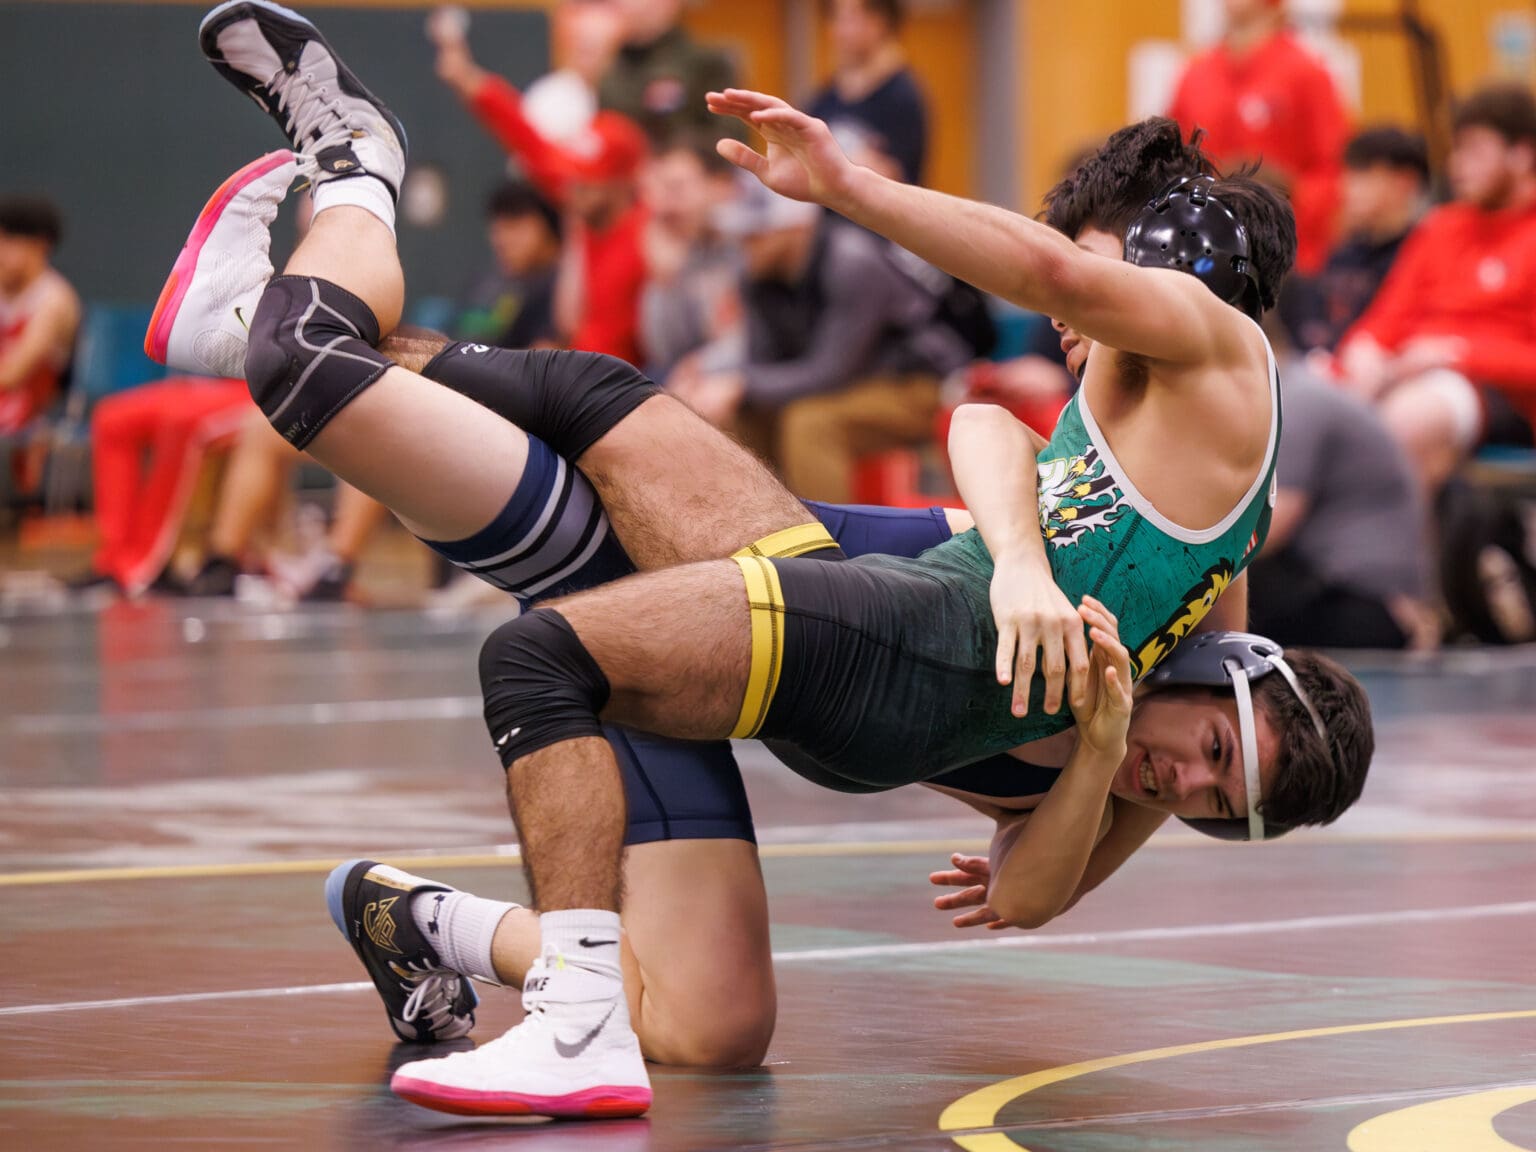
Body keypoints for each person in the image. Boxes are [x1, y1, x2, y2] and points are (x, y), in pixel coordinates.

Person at [182, 1, 1371, 1119]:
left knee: (711, 1027)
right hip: (790, 608)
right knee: (424, 414)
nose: (1073, 325)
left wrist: (1132, 748)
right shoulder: (1133, 513)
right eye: (1209, 763)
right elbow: (987, 416)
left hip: (785, 652)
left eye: (1215, 798)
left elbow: (1038, 886)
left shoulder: (1168, 678)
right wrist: (1014, 556)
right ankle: (335, 210)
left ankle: (428, 923)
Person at [687, 175, 972, 502]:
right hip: (841, 387)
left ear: (796, 227)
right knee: (739, 416)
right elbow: (760, 363)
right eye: (741, 232)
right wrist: (732, 386)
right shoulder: (755, 273)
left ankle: (828, 549)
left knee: (809, 424)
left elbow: (832, 371)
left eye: (755, 232)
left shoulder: (851, 260)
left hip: (918, 386)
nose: (744, 243)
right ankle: (756, 535)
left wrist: (741, 384)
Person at [1334, 83, 1536, 501]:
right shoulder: (1441, 227)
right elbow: (1386, 318)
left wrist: (1455, 353)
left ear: (1523, 154)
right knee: (1312, 407)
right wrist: (1365, 350)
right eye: (1457, 149)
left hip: (1505, 395)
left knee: (1407, 421)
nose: (1458, 164)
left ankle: (1388, 563)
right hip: (1419, 375)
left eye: (1474, 150)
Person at [434, 27, 650, 363]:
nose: (575, 185)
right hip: (578, 375)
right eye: (575, 173)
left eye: (590, 178)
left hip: (629, 383)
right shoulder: (581, 206)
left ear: (620, 183)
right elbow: (525, 137)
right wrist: (466, 78)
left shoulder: (649, 231)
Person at [1247, 367, 1436, 649]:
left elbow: (1272, 527)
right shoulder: (1300, 390)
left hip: (1366, 604)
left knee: (1225, 583)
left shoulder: (1298, 398)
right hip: (1354, 592)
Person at [1167, 0, 1349, 275]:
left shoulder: (1307, 74)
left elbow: (1334, 168)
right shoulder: (1196, 75)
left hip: (1283, 259)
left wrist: (1281, 207)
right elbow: (1172, 162)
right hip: (1203, 248)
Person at [1281, 127, 1430, 358]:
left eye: (1363, 174)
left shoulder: (1421, 252)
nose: (1347, 187)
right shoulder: (1343, 253)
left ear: (1405, 182)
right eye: (1348, 174)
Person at [807, 0, 929, 185]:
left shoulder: (902, 98)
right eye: (836, 17)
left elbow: (895, 179)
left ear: (878, 22)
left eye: (851, 18)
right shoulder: (826, 96)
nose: (839, 31)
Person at [0, 197, 79, 438]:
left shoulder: (54, 299)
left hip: (34, 416)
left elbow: (14, 373)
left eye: (8, 241)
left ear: (39, 245)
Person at [453, 181, 561, 351]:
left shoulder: (560, 290)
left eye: (514, 226)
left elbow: (544, 360)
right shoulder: (484, 284)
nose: (501, 240)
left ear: (549, 227)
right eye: (497, 229)